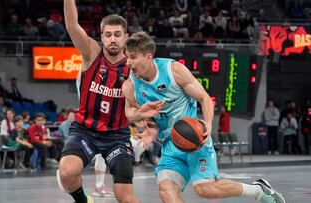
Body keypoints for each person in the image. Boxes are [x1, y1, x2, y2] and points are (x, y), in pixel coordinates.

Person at [122, 32, 286, 203]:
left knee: (205, 190)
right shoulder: (130, 86)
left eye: (133, 57)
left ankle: (258, 190)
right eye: (127, 57)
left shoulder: (173, 71)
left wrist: (207, 123)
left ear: (148, 57)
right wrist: (151, 130)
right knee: (166, 190)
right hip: (171, 144)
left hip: (194, 137)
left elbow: (204, 98)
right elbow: (141, 117)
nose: (128, 63)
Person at [57, 1, 139, 203]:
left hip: (116, 135)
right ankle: (83, 201)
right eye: (108, 35)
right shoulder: (91, 52)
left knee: (124, 197)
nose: (113, 39)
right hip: (85, 130)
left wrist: (150, 127)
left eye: (117, 35)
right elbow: (71, 25)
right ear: (101, 37)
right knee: (66, 172)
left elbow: (140, 103)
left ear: (126, 38)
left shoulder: (133, 66)